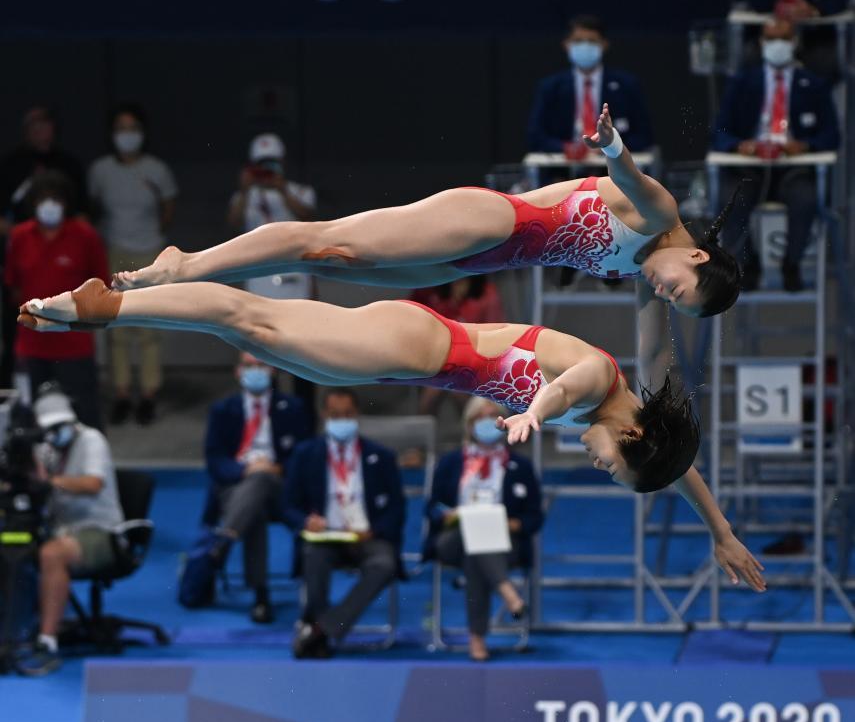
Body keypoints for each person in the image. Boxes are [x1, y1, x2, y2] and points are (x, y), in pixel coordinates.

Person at [19, 279, 765, 592]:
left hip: (414, 359)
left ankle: (117, 304)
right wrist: (536, 411)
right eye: (614, 466)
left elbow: (680, 469)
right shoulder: (598, 384)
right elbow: (565, 385)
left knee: (260, 336)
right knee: (248, 321)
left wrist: (720, 532)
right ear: (633, 433)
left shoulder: (633, 421)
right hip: (419, 348)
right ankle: (107, 306)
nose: (600, 466)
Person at [110, 104, 741, 324]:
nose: (661, 290)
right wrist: (612, 146)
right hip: (495, 223)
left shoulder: (650, 263)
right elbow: (626, 175)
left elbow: (658, 338)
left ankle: (205, 274)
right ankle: (187, 261)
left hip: (478, 260)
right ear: (696, 255)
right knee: (330, 241)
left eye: (670, 300)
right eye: (676, 288)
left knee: (333, 261)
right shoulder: (660, 214)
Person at [712, 17, 839, 291]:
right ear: (761, 43)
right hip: (750, 167)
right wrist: (739, 146)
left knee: (806, 198)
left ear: (795, 43)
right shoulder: (742, 83)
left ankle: (791, 263)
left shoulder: (814, 85)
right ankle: (748, 262)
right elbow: (719, 132)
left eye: (784, 38)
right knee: (728, 200)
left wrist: (805, 146)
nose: (777, 45)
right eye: (771, 38)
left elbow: (831, 136)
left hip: (794, 168)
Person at [282, 388, 405, 658]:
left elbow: (397, 508)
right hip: (325, 537)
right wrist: (306, 521)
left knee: (385, 564)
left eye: (347, 414)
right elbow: (288, 506)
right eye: (335, 415)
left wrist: (374, 531)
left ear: (357, 414)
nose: (342, 420)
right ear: (324, 415)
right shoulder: (306, 454)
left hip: (368, 536)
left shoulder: (380, 456)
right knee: (312, 556)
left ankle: (320, 630)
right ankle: (322, 631)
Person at [425, 397, 544, 661]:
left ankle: (476, 638)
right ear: (468, 424)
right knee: (473, 537)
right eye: (480, 417)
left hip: (504, 541)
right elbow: (431, 508)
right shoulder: (450, 462)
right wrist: (447, 516)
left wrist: (514, 523)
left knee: (475, 555)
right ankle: (506, 590)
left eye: (493, 416)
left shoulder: (520, 467)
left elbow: (535, 516)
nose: (487, 423)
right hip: (452, 538)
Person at [18, 387, 123, 677]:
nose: (55, 432)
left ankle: (47, 641)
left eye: (60, 426)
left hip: (101, 533)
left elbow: (92, 484)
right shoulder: (45, 448)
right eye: (49, 428)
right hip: (60, 529)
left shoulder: (92, 440)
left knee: (52, 554)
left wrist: (51, 481)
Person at [200, 352, 311, 623]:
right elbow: (214, 460)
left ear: (273, 369)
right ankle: (261, 596)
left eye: (261, 364)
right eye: (249, 365)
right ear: (238, 372)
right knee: (255, 507)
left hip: (281, 488)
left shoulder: (294, 408)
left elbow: (306, 455)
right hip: (236, 488)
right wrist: (245, 470)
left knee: (262, 482)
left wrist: (278, 468)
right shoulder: (223, 410)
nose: (255, 370)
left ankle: (226, 540)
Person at [88, 103, 178, 426]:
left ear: (142, 132)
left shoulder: (156, 169)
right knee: (116, 326)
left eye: (132, 128)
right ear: (113, 134)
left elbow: (168, 208)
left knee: (149, 326)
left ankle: (149, 395)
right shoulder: (100, 170)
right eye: (121, 128)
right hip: (114, 251)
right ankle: (123, 394)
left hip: (150, 252)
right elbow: (94, 205)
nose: (127, 135)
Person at [226, 132, 318, 427]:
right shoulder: (246, 197)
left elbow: (309, 217)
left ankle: (305, 423)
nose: (267, 170)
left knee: (304, 360)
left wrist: (282, 191)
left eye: (272, 163)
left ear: (283, 164)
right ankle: (274, 425)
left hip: (296, 284)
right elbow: (233, 222)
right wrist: (243, 190)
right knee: (266, 359)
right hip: (259, 284)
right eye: (261, 164)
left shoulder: (300, 191)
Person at [4, 171, 109, 428]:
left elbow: (101, 286)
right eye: (43, 199)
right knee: (29, 419)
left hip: (74, 344)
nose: (49, 205)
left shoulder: (85, 236)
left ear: (66, 203)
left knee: (85, 415)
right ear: (33, 204)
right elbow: (12, 285)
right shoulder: (19, 236)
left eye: (56, 199)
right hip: (31, 346)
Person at [0, 106, 88, 388]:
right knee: (20, 324)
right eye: (34, 125)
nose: (40, 130)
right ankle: (19, 392)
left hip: (65, 257)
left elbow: (83, 213)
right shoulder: (11, 165)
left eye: (45, 124)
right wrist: (24, 237)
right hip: (24, 254)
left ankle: (67, 385)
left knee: (64, 322)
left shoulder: (69, 164)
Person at [527, 15, 654, 158]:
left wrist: (610, 145)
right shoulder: (550, 87)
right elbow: (535, 136)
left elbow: (644, 136)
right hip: (563, 168)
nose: (585, 46)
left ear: (604, 44)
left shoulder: (627, 85)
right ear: (566, 44)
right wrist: (564, 147)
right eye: (578, 41)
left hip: (612, 165)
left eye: (592, 41)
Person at [410, 275, 506, 416]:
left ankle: (468, 430)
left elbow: (497, 337)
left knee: (458, 389)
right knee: (432, 392)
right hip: (434, 361)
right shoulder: (429, 290)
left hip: (472, 363)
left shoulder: (486, 293)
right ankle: (422, 433)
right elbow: (412, 323)